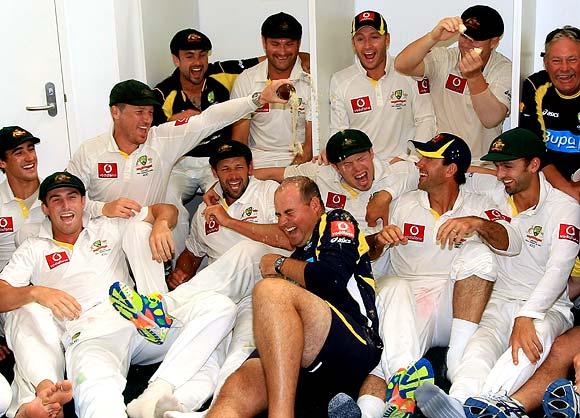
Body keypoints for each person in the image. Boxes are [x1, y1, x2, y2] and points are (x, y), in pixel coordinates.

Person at [0, 171, 237, 418]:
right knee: (99, 399)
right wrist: (37, 291)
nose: (65, 205)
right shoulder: (34, 247)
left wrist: (160, 225)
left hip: (137, 318)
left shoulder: (108, 226)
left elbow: (165, 210)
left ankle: (157, 392)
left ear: (83, 202)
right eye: (56, 199)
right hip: (89, 334)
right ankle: (164, 398)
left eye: (72, 197)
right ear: (46, 209)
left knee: (220, 308)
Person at [339, 134, 522, 418]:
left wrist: (477, 224)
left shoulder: (480, 203)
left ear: (450, 170)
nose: (419, 164)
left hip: (458, 306)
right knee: (389, 332)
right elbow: (365, 255)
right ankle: (371, 410)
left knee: (480, 256)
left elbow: (512, 242)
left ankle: (455, 358)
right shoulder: (401, 203)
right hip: (411, 302)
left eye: (428, 159)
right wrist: (379, 239)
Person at [415, 128, 579, 418]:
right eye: (497, 166)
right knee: (476, 354)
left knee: (523, 352)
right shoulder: (496, 194)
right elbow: (451, 170)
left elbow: (559, 269)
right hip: (500, 298)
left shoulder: (564, 209)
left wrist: (527, 315)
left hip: (547, 308)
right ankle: (458, 403)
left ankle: (473, 407)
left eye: (508, 166)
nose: (500, 174)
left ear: (534, 165)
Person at [201, 176, 382, 417]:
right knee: (234, 390)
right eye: (278, 215)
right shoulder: (298, 254)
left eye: (289, 213)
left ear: (315, 206)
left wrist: (278, 264)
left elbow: (332, 278)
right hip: (306, 365)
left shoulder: (336, 220)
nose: (282, 222)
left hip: (356, 343)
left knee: (269, 291)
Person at [66, 77, 290, 269]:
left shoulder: (161, 140)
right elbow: (65, 201)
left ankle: (160, 302)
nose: (147, 120)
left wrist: (258, 98)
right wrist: (103, 208)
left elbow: (208, 119)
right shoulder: (90, 151)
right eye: (139, 112)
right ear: (116, 112)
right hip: (101, 238)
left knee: (141, 229)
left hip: (144, 237)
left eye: (151, 113)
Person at [394, 5, 511, 162]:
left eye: (475, 40)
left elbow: (491, 119)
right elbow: (402, 65)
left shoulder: (504, 68)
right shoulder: (445, 58)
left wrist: (474, 77)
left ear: (494, 42)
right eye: (464, 37)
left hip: (481, 165)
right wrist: (432, 37)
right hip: (441, 163)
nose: (467, 45)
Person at [330, 10, 436, 163]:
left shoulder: (409, 71)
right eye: (360, 39)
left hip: (405, 167)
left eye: (374, 37)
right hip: (362, 171)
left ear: (387, 40)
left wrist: (411, 158)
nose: (367, 46)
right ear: (353, 43)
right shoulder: (340, 80)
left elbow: (426, 120)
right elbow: (340, 133)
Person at [231, 12, 313, 168]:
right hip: (257, 162)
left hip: (300, 162)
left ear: (299, 43)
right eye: (275, 44)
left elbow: (309, 149)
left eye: (289, 44)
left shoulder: (311, 79)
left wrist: (290, 173)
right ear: (264, 43)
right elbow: (239, 142)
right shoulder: (246, 80)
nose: (282, 52)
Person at [519, 25, 580, 201]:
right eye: (556, 61)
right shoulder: (535, 86)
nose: (565, 68)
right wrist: (566, 188)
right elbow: (533, 147)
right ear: (545, 63)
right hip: (547, 177)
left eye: (572, 59)